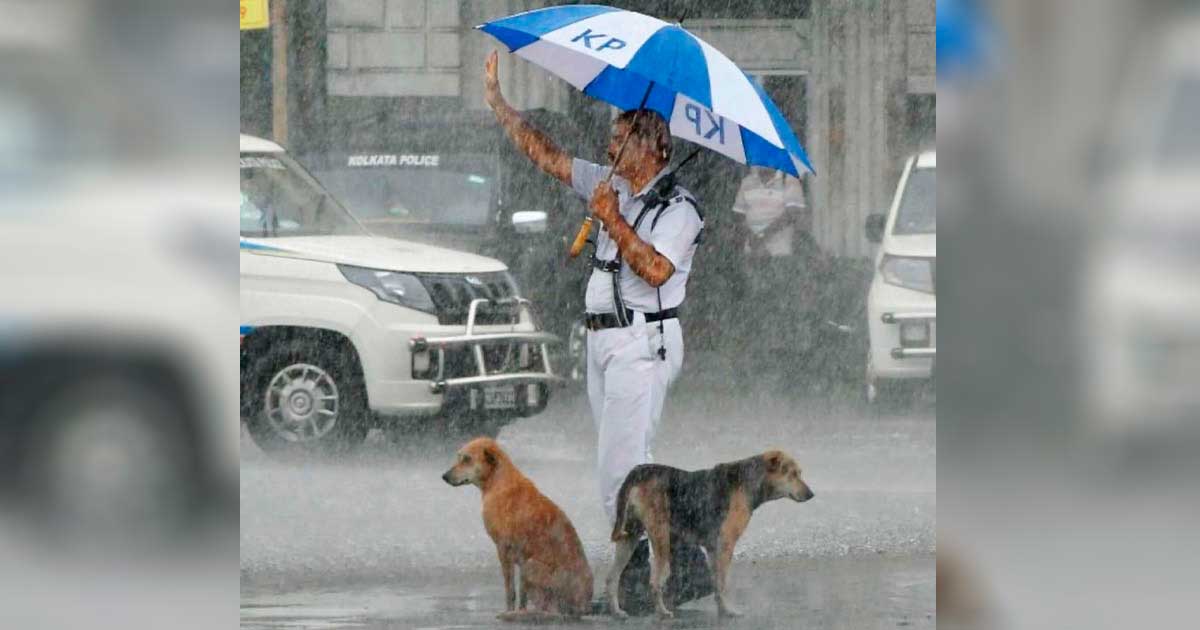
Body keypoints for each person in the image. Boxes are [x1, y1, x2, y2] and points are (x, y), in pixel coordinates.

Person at [482, 50, 711, 611]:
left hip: (643, 341)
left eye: (619, 140)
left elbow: (656, 269)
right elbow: (552, 158)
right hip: (604, 341)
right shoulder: (613, 184)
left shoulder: (679, 209)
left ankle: (659, 572)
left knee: (622, 470)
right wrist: (500, 105)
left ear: (652, 145)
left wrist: (611, 218)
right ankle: (672, 565)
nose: (608, 149)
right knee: (626, 466)